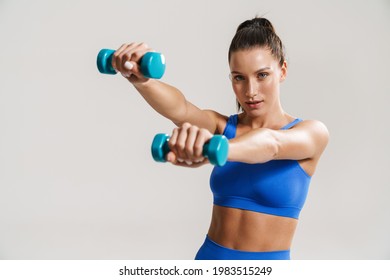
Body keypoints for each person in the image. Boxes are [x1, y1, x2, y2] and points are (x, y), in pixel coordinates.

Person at [111, 17, 329, 260]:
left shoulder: (312, 133)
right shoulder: (223, 127)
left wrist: (212, 150)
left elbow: (272, 144)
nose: (251, 91)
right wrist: (142, 80)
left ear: (283, 71)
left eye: (262, 75)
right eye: (239, 78)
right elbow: (181, 110)